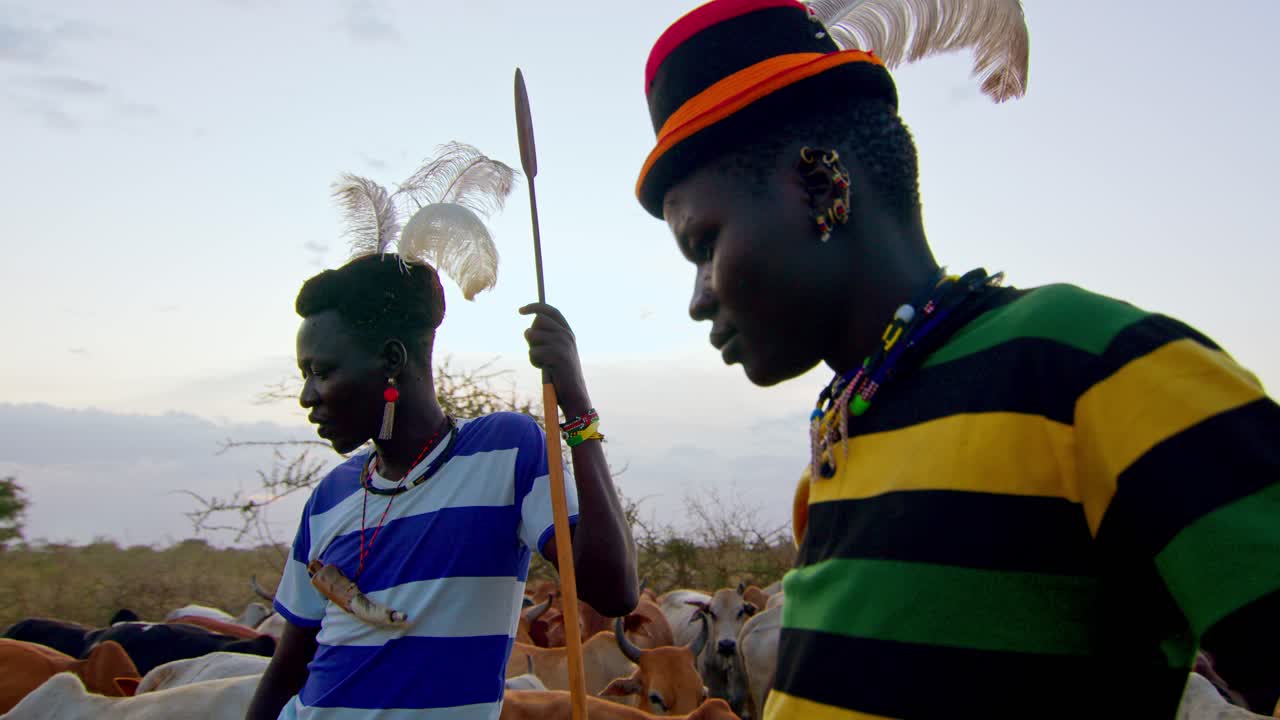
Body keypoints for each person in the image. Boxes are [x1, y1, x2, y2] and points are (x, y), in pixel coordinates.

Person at [633, 0, 1280, 717]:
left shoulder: (1089, 366)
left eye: (703, 247)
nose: (697, 299)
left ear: (820, 186)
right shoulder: (837, 449)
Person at [245, 253, 637, 719]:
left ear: (391, 360)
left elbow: (616, 591)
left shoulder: (505, 450)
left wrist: (576, 405)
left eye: (322, 371)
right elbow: (287, 672)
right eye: (304, 374)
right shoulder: (331, 497)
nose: (306, 396)